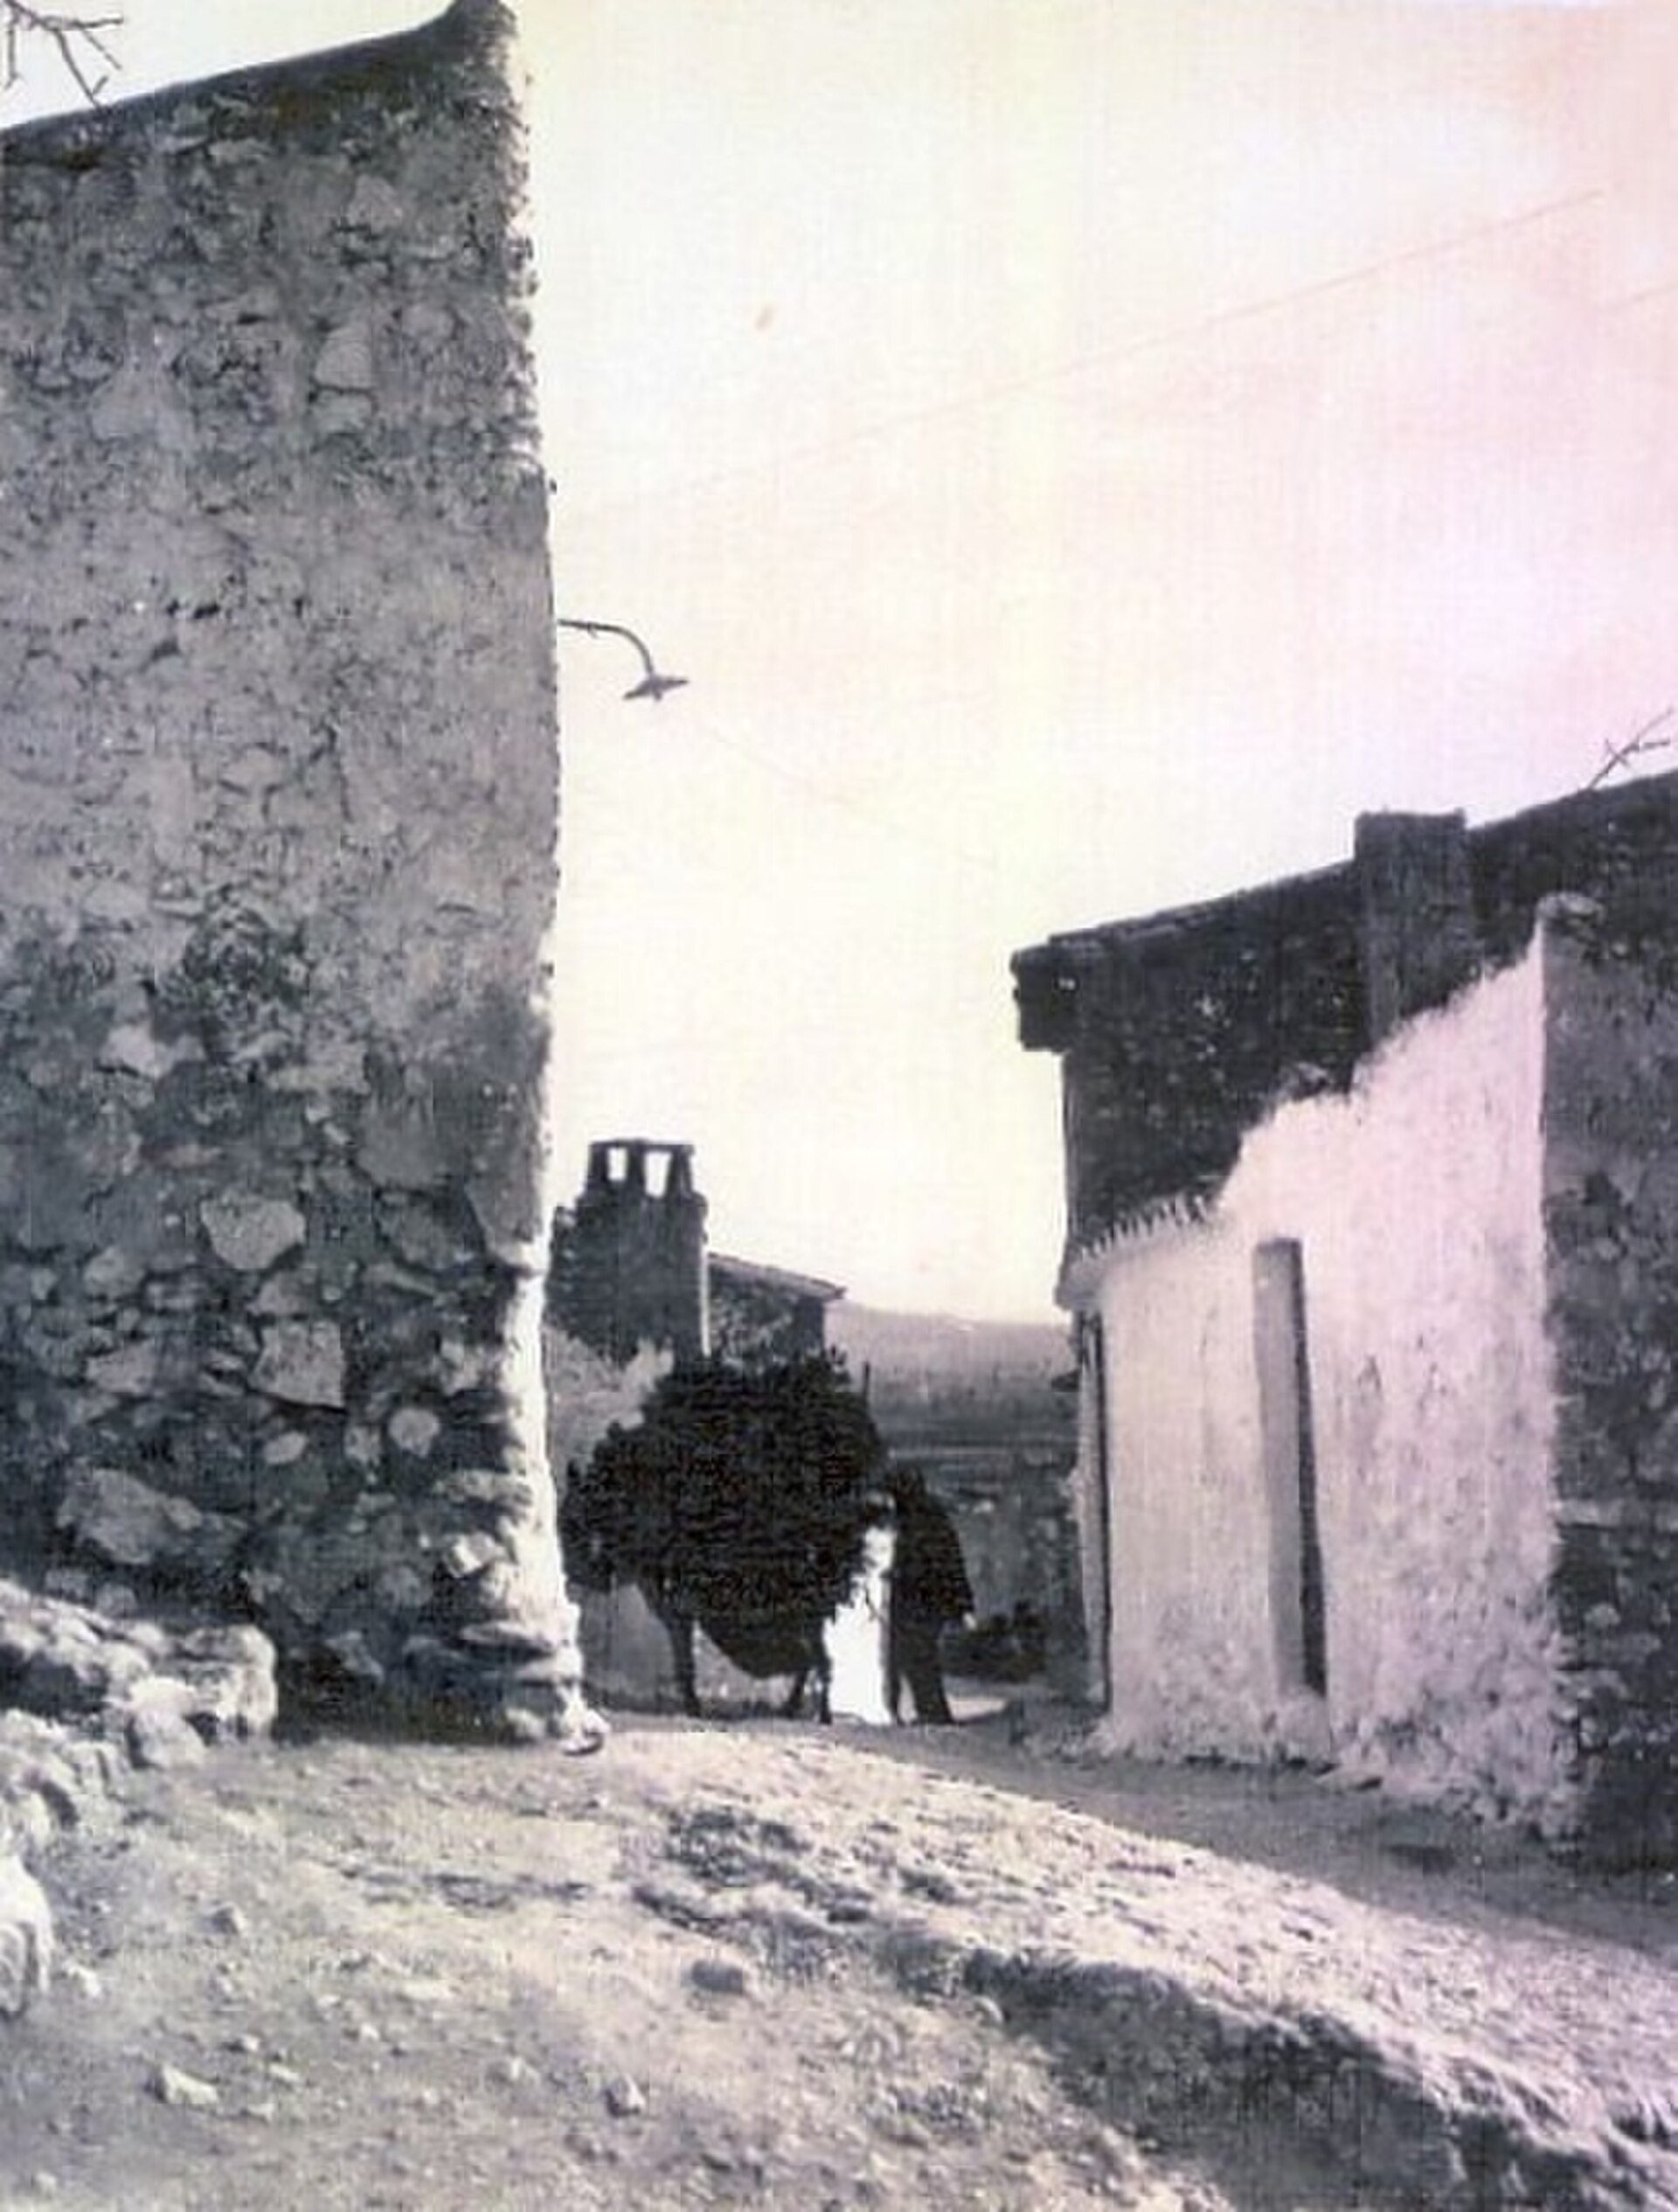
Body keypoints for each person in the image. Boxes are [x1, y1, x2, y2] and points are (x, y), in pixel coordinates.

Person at [886, 1467, 973, 1724]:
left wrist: (898, 1576)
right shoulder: (931, 1517)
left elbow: (928, 1563)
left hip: (918, 1600)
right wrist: (960, 1603)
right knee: (921, 1656)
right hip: (929, 1600)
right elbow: (952, 1561)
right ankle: (930, 1710)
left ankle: (930, 1711)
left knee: (915, 1656)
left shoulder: (915, 1521)